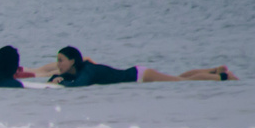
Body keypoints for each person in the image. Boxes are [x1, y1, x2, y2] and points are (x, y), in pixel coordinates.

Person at [47, 46, 231, 85]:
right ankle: (213, 70)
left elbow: (79, 84)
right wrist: (56, 79)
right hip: (138, 73)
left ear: (72, 61)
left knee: (178, 81)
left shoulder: (88, 70)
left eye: (60, 60)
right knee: (180, 77)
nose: (58, 63)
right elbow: (67, 80)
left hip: (139, 75)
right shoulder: (76, 71)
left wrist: (61, 83)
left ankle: (221, 77)